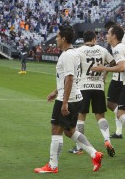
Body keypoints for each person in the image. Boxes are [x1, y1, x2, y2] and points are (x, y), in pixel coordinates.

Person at [34, 26, 103, 174]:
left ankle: (52, 166)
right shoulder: (72, 53)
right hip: (73, 96)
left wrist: (64, 102)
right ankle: (94, 154)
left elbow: (70, 78)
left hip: (69, 98)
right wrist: (55, 91)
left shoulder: (67, 55)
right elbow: (65, 79)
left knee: (56, 130)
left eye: (58, 37)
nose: (57, 39)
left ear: (64, 39)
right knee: (70, 131)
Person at [91, 25, 125, 158]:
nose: (106, 36)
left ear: (114, 36)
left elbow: (121, 67)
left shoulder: (117, 49)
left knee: (121, 114)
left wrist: (102, 68)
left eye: (108, 33)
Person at [68, 30, 115, 157]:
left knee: (81, 116)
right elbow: (113, 63)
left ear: (84, 40)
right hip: (98, 86)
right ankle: (107, 140)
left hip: (83, 86)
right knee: (100, 116)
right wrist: (104, 74)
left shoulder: (78, 51)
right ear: (94, 38)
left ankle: (79, 147)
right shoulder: (102, 50)